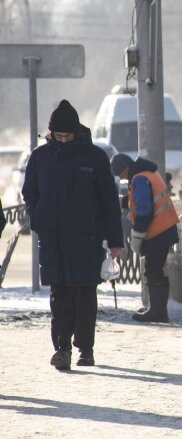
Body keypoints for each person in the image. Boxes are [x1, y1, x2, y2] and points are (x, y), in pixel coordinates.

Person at [22, 99, 125, 371]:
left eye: (68, 135)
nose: (63, 140)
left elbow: (109, 202)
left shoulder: (94, 157)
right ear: (51, 133)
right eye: (59, 135)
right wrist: (38, 217)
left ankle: (85, 348)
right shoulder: (41, 157)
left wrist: (115, 241)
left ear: (76, 132)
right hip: (53, 238)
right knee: (59, 296)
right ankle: (62, 348)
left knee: (85, 294)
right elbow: (29, 192)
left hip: (87, 239)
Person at [110, 152, 179, 323]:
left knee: (153, 271)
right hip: (165, 229)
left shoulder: (139, 178)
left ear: (125, 168)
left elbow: (144, 211)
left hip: (157, 232)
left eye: (121, 174)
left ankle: (158, 312)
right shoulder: (148, 173)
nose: (122, 178)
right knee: (154, 270)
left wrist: (137, 235)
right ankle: (156, 309)